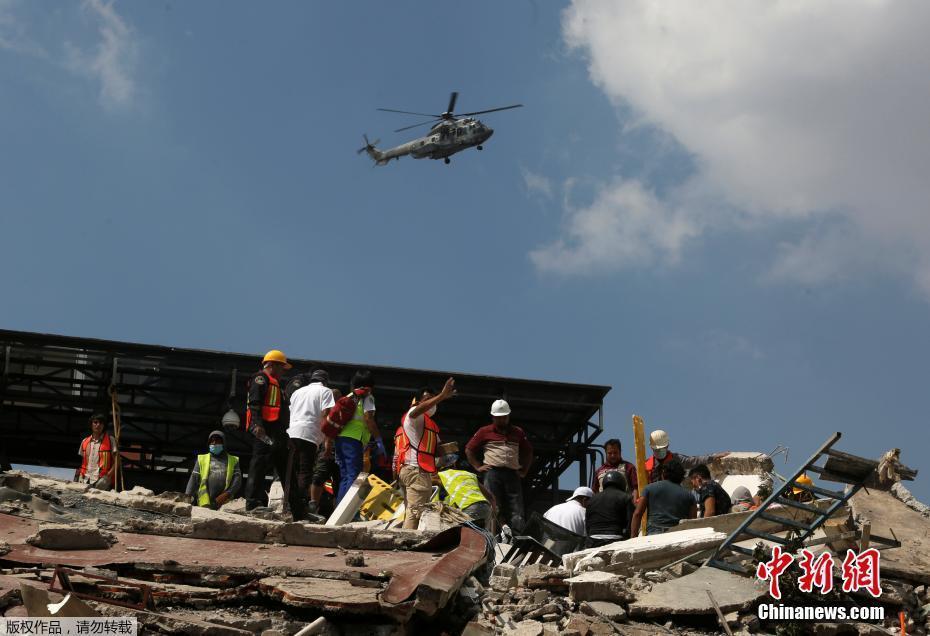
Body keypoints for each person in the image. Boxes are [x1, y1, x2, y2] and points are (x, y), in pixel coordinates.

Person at [464, 399, 534, 533]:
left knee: (516, 507)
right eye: (499, 418)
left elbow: (528, 451)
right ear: (493, 417)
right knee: (494, 505)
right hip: (492, 473)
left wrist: (524, 470)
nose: (502, 420)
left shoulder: (518, 432)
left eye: (504, 417)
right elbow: (469, 449)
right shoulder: (484, 431)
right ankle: (493, 534)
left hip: (512, 473)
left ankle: (516, 536)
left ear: (508, 416)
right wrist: (478, 467)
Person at [397, 378, 456, 530]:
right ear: (418, 401)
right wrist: (442, 396)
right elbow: (417, 410)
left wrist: (448, 453)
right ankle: (407, 546)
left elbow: (436, 450)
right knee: (415, 513)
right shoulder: (414, 413)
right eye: (427, 399)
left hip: (414, 470)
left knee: (412, 511)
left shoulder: (430, 425)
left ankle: (405, 543)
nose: (431, 402)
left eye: (433, 399)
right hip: (415, 471)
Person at [243, 350, 292, 511]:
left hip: (275, 431)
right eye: (281, 367)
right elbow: (255, 403)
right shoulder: (260, 379)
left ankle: (295, 506)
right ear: (271, 365)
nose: (283, 371)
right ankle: (252, 502)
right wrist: (257, 425)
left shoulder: (276, 384)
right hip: (264, 430)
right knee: (259, 463)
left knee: (283, 465)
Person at [286, 369, 334, 520]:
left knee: (291, 472)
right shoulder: (325, 391)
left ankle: (287, 505)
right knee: (305, 472)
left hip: (291, 433)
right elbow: (326, 417)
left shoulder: (297, 392)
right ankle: (298, 508)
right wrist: (327, 442)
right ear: (325, 381)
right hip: (309, 435)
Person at [335, 370, 384, 505]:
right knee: (353, 475)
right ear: (369, 385)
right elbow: (369, 419)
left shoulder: (349, 396)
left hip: (340, 439)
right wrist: (378, 440)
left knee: (345, 476)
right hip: (353, 440)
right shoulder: (367, 397)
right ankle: (347, 509)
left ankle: (339, 509)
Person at [632, 459, 696, 536]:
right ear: (681, 477)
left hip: (654, 534)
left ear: (663, 474)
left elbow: (637, 514)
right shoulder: (689, 495)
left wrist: (633, 537)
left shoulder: (649, 488)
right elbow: (692, 522)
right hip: (678, 535)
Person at [644, 429, 729, 484]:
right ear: (651, 448)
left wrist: (713, 457)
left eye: (662, 448)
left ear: (667, 446)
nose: (660, 452)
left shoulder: (676, 459)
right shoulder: (646, 465)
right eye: (657, 450)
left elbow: (693, 461)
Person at [185, 430, 241, 509]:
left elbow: (237, 481)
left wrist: (227, 494)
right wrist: (187, 497)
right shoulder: (201, 459)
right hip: (205, 502)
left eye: (218, 441)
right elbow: (193, 478)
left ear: (224, 443)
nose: (214, 443)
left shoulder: (233, 460)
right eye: (212, 441)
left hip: (224, 502)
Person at [438, 460, 497, 530]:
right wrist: (494, 514)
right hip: (485, 507)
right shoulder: (468, 474)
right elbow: (490, 496)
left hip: (469, 507)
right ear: (454, 466)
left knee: (463, 536)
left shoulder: (441, 475)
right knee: (481, 537)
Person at [585, 470, 635, 545]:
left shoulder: (592, 500)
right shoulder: (626, 497)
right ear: (622, 483)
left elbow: (587, 523)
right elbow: (630, 522)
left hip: (593, 539)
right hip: (615, 538)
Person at [74, 413, 117, 490]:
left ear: (104, 426)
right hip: (85, 479)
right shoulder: (85, 441)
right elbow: (83, 461)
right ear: (91, 424)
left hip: (102, 480)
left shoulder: (110, 440)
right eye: (95, 422)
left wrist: (107, 477)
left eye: (101, 423)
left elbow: (117, 461)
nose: (98, 425)